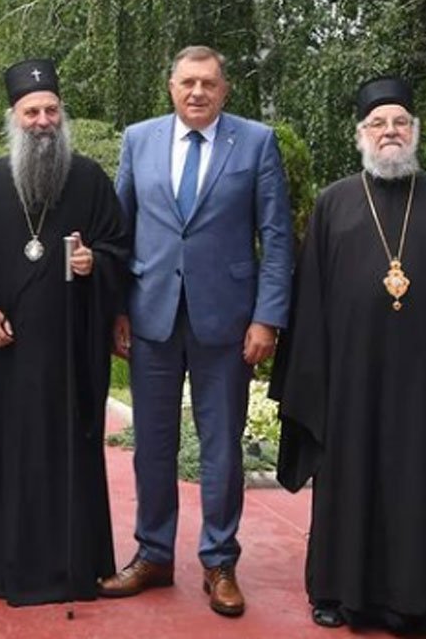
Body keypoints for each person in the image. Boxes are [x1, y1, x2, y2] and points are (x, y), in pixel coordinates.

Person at [270, 75, 426, 632]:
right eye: (378, 123)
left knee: (414, 484)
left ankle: (411, 600)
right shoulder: (333, 202)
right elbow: (310, 302)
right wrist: (312, 380)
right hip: (348, 379)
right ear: (360, 134)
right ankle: (334, 591)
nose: (390, 131)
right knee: (345, 480)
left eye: (400, 122)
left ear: (415, 131)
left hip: (421, 380)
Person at [101, 45, 293, 616]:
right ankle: (153, 554)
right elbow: (120, 231)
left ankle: (219, 561)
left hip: (228, 322)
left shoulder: (255, 142)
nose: (198, 92)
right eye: (188, 82)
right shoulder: (140, 140)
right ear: (171, 87)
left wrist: (267, 317)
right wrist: (117, 308)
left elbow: (276, 237)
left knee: (222, 448)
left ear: (224, 89)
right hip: (151, 317)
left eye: (209, 83)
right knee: (152, 446)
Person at [0, 58, 129, 605]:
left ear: (61, 114)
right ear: (14, 118)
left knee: (68, 456)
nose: (43, 121)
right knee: (6, 459)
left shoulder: (89, 179)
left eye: (51, 110)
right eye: (32, 112)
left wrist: (96, 263)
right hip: (6, 355)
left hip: (68, 354)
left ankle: (70, 571)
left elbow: (121, 248)